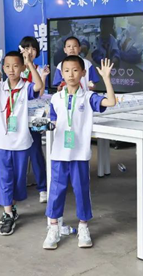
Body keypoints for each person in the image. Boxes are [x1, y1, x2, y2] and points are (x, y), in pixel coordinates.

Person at [43, 56, 116, 250]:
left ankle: (83, 227)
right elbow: (53, 121)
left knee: (81, 190)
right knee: (56, 191)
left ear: (83, 73)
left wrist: (106, 78)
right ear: (61, 73)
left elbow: (111, 102)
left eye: (75, 70)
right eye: (67, 71)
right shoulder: (56, 98)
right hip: (59, 154)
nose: (71, 75)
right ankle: (53, 227)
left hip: (79, 154)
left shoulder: (88, 97)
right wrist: (47, 125)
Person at [0, 49, 44, 236]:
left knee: (19, 179)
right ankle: (7, 213)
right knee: (5, 177)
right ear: (3, 68)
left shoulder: (26, 87)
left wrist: (30, 63)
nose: (11, 70)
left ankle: (11, 206)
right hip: (2, 141)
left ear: (22, 68)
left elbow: (39, 86)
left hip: (21, 141)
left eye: (15, 66)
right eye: (7, 66)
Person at [19, 36, 51, 203]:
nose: (30, 51)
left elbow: (39, 92)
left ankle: (43, 188)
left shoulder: (38, 69)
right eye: (26, 48)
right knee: (17, 153)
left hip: (34, 116)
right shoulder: (16, 67)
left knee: (35, 150)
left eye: (33, 48)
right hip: (18, 116)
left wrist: (43, 77)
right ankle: (18, 187)